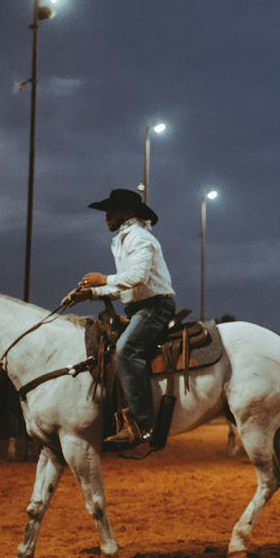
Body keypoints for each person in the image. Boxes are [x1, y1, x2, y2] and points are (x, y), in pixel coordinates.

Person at [62, 188, 175, 450]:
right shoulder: (124, 239)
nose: (106, 217)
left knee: (126, 351)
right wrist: (88, 294)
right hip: (138, 307)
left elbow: (137, 277)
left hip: (155, 307)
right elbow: (122, 286)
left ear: (127, 213)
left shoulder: (139, 237)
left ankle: (141, 423)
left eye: (110, 212)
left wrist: (103, 279)